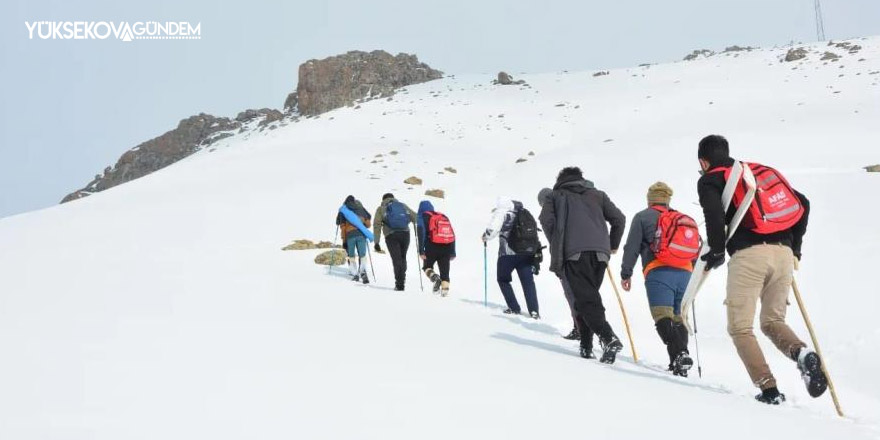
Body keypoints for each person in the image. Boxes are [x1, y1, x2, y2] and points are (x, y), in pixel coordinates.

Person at [696, 134, 826, 404]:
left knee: (740, 328)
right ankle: (802, 355)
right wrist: (795, 248)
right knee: (772, 321)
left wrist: (717, 252)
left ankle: (769, 390)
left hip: (749, 256)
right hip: (783, 255)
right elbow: (804, 203)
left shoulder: (711, 179)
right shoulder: (752, 173)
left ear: (703, 161)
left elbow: (714, 216)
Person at [541, 167, 626, 363]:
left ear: (560, 180)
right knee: (588, 298)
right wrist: (612, 245)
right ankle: (586, 346)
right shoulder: (597, 195)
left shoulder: (555, 196)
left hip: (574, 254)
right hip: (601, 255)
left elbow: (547, 222)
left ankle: (608, 337)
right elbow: (619, 219)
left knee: (587, 299)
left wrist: (558, 243)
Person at [620, 182, 696, 376]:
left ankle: (680, 354)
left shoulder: (642, 217)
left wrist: (626, 272)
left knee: (663, 316)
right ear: (668, 199)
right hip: (686, 273)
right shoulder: (681, 218)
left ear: (649, 199)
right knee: (679, 317)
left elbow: (632, 247)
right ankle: (678, 364)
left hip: (659, 271)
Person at [538, 188, 595, 345]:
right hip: (587, 257)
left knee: (572, 296)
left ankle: (581, 329)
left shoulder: (550, 215)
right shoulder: (572, 209)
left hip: (566, 261)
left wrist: (557, 265)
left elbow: (555, 242)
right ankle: (587, 327)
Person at [481, 197, 541, 319]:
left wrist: (485, 237)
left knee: (503, 280)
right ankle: (534, 311)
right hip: (526, 253)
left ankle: (514, 308)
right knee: (528, 282)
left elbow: (492, 230)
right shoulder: (523, 212)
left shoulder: (502, 212)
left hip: (507, 253)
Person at [373, 193, 417, 291]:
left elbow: (377, 224)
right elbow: (415, 217)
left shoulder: (381, 208)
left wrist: (376, 242)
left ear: (383, 199)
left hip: (391, 235)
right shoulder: (402, 205)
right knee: (403, 257)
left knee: (396, 259)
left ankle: (399, 284)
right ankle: (402, 279)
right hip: (405, 234)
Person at [416, 200, 456, 296]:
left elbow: (422, 233)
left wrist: (421, 250)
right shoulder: (443, 216)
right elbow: (452, 234)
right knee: (445, 273)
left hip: (431, 246)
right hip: (446, 247)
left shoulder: (422, 217)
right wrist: (453, 251)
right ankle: (445, 294)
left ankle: (434, 278)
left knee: (427, 267)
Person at [335, 195, 372, 284]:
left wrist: (344, 241)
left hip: (350, 236)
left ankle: (355, 274)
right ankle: (363, 272)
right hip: (361, 235)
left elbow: (342, 227)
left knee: (351, 255)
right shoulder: (361, 209)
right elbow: (368, 224)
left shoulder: (344, 211)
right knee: (362, 254)